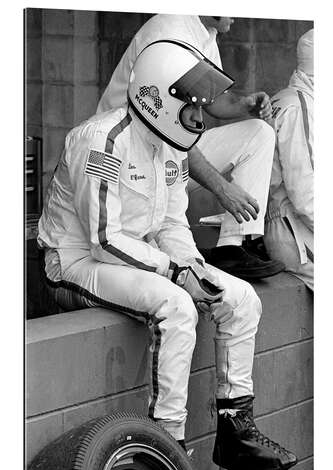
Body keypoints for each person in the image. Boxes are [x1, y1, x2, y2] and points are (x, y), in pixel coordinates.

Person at [38, 40, 297, 470]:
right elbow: (104, 240)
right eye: (191, 106)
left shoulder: (172, 142)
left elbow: (172, 226)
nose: (200, 117)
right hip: (74, 261)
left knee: (241, 298)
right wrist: (177, 274)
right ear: (157, 99)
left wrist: (192, 268)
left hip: (141, 255)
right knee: (177, 308)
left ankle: (235, 429)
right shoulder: (101, 140)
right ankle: (168, 445)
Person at [97, 14, 285, 281]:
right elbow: (169, 127)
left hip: (166, 149)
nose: (239, 17)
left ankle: (232, 247)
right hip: (127, 156)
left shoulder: (206, 30)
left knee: (259, 133)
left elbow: (210, 102)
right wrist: (222, 188)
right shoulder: (172, 31)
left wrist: (244, 104)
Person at [264, 29, 314, 290]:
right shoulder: (299, 107)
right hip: (293, 228)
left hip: (296, 225)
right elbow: (305, 195)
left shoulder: (292, 98)